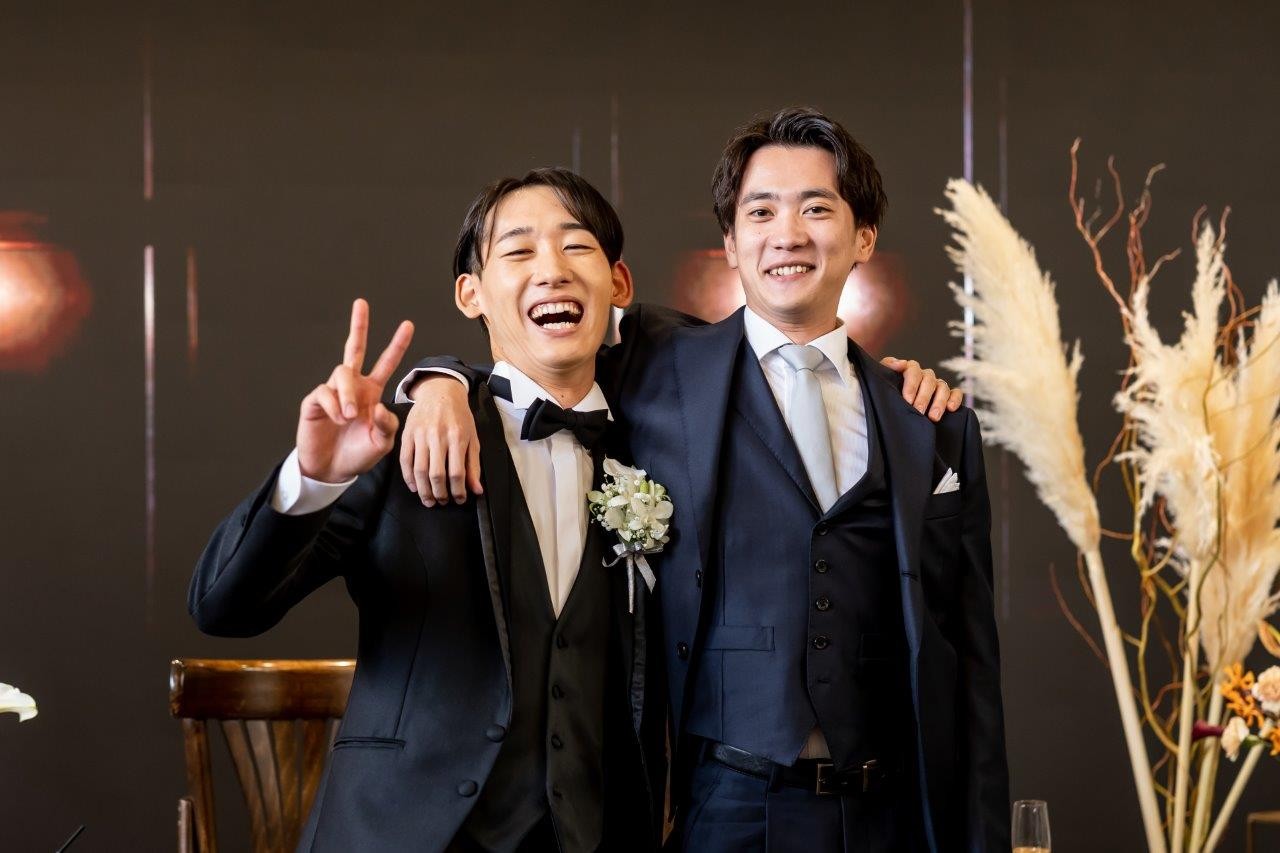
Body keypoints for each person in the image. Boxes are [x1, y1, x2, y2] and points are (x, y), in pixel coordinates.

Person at [399, 107, 1010, 851]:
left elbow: (972, 660)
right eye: (761, 211)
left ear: (864, 237)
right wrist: (440, 381)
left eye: (817, 209)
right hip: (726, 805)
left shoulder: (928, 420)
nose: (787, 234)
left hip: (893, 812)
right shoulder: (657, 363)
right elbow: (534, 350)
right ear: (730, 242)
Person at [188, 168, 665, 852]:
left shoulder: (658, 448)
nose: (553, 270)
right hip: (404, 832)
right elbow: (223, 607)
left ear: (618, 283)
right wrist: (314, 479)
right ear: (472, 294)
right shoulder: (400, 440)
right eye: (519, 250)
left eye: (576, 246)